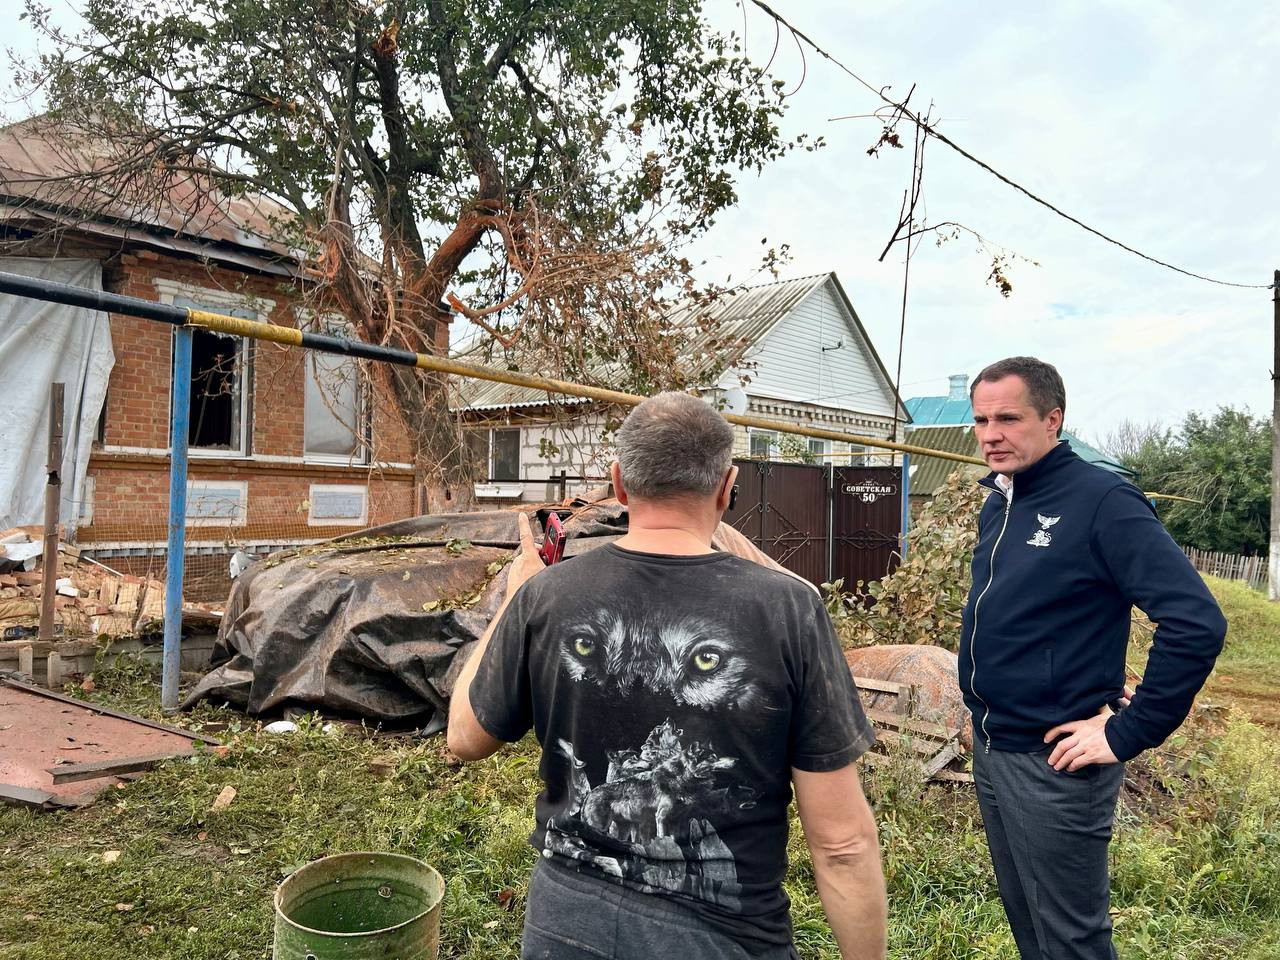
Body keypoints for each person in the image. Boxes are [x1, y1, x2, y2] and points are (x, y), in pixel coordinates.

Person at [448, 391, 887, 960]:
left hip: (564, 921)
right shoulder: (788, 608)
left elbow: (464, 736)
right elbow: (844, 844)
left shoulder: (548, 594)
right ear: (728, 486)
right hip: (721, 931)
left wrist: (517, 594)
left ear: (620, 483)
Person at [958, 356, 1227, 959]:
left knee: (1071, 938)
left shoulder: (1103, 500)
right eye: (980, 420)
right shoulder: (1001, 500)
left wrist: (1132, 729)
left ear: (1053, 419)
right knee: (1029, 922)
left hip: (1056, 761)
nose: (990, 435)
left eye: (1008, 418)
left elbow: (1195, 621)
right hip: (994, 744)